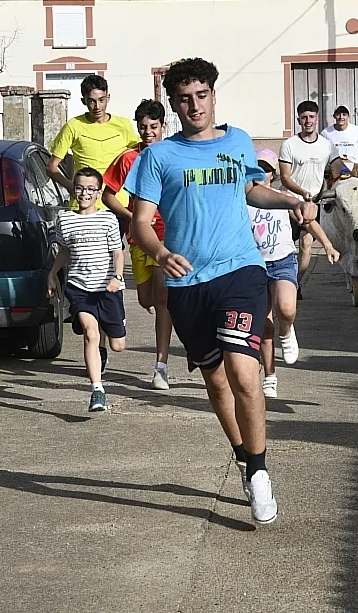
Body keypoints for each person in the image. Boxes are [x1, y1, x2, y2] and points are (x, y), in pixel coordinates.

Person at [125, 57, 317, 526]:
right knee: (214, 381)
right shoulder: (159, 157)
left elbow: (251, 190)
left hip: (241, 270)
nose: (195, 105)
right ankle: (243, 456)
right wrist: (161, 252)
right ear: (174, 105)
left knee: (244, 374)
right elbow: (141, 222)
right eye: (184, 99)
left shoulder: (238, 141)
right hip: (187, 283)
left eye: (201, 95)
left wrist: (290, 201)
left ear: (213, 95)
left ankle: (260, 471)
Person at [47, 75, 139, 373]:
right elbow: (52, 166)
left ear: (108, 98)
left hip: (115, 205)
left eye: (101, 100)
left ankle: (110, 315)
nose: (96, 106)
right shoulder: (74, 126)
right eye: (90, 101)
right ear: (83, 101)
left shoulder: (123, 126)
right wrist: (76, 188)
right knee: (83, 264)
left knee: (111, 261)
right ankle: (89, 323)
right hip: (81, 209)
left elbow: (138, 159)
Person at [248, 151, 340, 398]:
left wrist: (328, 245)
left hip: (282, 262)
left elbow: (307, 221)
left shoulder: (283, 198)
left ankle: (287, 330)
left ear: (273, 174)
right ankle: (270, 375)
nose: (261, 174)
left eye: (266, 169)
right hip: (255, 266)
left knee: (286, 309)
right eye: (257, 169)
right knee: (263, 325)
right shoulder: (243, 200)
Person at [102, 99, 174, 390]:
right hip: (139, 236)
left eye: (154, 127)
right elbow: (108, 195)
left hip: (168, 235)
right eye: (143, 127)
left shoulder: (173, 153)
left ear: (163, 126)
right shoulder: (129, 158)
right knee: (146, 300)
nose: (148, 132)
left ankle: (161, 366)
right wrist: (133, 217)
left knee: (163, 299)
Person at [47, 167, 127, 412]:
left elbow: (117, 252)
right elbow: (64, 251)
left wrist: (117, 277)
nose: (84, 193)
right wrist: (52, 274)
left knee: (118, 345)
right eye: (80, 188)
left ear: (99, 192)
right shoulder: (65, 219)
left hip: (108, 288)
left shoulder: (108, 219)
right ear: (74, 190)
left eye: (91, 189)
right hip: (79, 287)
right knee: (90, 333)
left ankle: (103, 343)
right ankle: (97, 390)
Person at [279, 101, 345, 289]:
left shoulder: (327, 145)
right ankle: (282, 280)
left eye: (311, 117)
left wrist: (352, 176)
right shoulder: (289, 145)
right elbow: (284, 177)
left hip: (313, 204)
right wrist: (302, 192)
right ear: (298, 120)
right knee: (285, 246)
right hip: (290, 201)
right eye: (304, 117)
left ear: (317, 119)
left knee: (306, 244)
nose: (308, 121)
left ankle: (296, 284)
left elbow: (339, 167)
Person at [321, 106, 358, 174]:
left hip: (356, 169)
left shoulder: (357, 130)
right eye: (338, 114)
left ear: (348, 116)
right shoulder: (326, 133)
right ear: (334, 116)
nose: (341, 117)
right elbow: (321, 151)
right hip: (336, 171)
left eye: (344, 114)